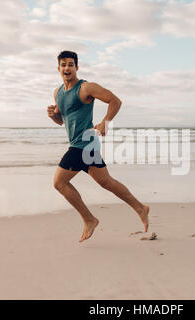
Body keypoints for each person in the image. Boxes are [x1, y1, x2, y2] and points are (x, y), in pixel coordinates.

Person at [47, 50, 149, 242]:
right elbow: (62, 120)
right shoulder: (58, 93)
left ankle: (89, 219)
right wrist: (53, 116)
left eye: (70, 64)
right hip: (86, 145)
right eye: (63, 64)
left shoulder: (86, 88)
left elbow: (115, 101)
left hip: (82, 144)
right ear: (58, 68)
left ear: (77, 67)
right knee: (106, 182)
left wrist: (105, 122)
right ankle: (140, 207)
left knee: (59, 183)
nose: (67, 68)